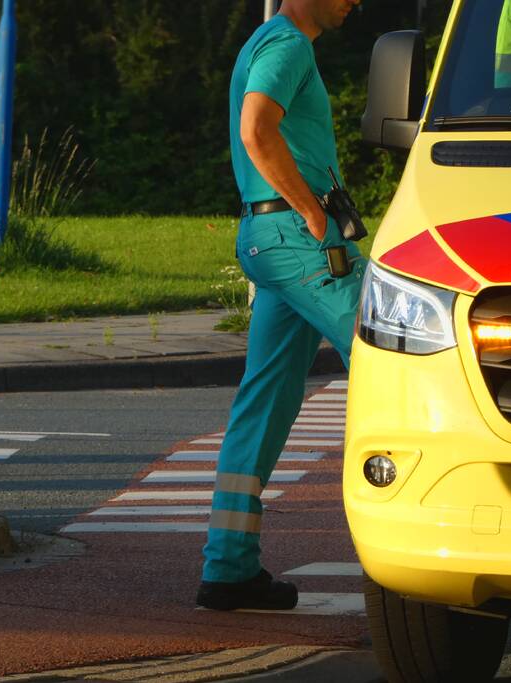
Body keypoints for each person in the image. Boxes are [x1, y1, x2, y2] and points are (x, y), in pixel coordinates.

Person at [196, 0, 365, 612]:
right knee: (395, 353)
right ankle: (422, 533)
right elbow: (256, 128)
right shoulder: (289, 45)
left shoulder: (270, 40)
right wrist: (315, 214)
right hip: (300, 241)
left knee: (264, 402)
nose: (356, 2)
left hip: (271, 242)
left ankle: (229, 568)